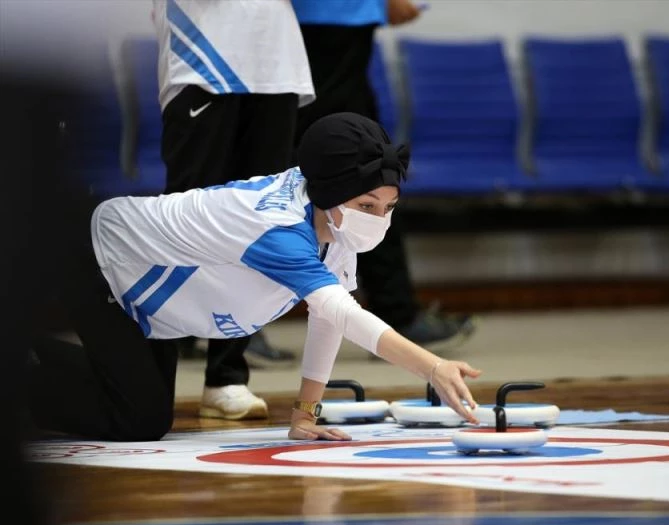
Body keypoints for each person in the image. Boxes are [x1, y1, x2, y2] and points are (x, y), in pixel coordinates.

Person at [27, 112, 482, 442]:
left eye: (389, 207)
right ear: (335, 194)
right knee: (136, 420)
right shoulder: (279, 230)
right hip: (104, 261)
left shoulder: (333, 217)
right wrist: (432, 366)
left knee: (139, 405)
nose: (379, 219)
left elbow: (326, 322)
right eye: (368, 206)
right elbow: (345, 315)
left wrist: (305, 415)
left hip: (155, 296)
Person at [150, 0, 316, 421]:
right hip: (202, 55)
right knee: (183, 220)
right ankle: (149, 380)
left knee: (262, 220)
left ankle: (226, 376)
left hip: (274, 59)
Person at [291, 0, 477, 354]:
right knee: (358, 163)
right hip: (328, 20)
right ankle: (397, 313)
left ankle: (396, 312)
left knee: (351, 162)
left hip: (326, 22)